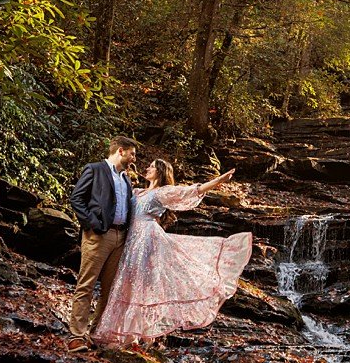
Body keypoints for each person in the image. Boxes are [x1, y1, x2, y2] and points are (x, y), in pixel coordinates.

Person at [92, 159, 251, 345]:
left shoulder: (163, 192)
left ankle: (134, 335)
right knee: (126, 283)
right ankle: (124, 332)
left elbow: (192, 191)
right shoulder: (137, 192)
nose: (148, 168)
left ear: (160, 171)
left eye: (152, 166)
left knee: (140, 284)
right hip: (131, 238)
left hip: (146, 238)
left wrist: (218, 181)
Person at [67, 136, 140, 345]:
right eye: (132, 153)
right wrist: (92, 223)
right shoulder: (95, 169)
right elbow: (76, 198)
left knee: (110, 289)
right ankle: (76, 336)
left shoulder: (126, 179)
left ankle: (95, 333)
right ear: (120, 151)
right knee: (86, 285)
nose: (134, 158)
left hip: (121, 238)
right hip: (99, 235)